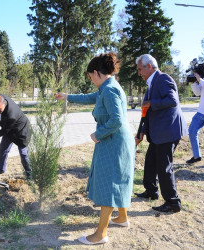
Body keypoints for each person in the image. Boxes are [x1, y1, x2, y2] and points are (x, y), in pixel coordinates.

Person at [55, 52, 135, 245]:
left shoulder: (109, 90)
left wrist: (97, 134)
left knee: (109, 184)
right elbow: (90, 97)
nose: (91, 80)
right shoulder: (106, 87)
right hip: (115, 140)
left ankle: (100, 234)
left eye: (90, 76)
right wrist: (67, 97)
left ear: (97, 73)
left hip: (114, 141)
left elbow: (116, 119)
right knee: (118, 179)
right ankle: (122, 218)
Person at [135, 54, 187, 213]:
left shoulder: (163, 79)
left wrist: (151, 102)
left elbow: (172, 100)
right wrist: (142, 131)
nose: (139, 73)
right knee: (150, 161)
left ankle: (173, 202)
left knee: (164, 167)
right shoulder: (151, 83)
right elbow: (147, 112)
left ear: (149, 66)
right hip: (159, 132)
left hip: (168, 131)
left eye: (140, 69)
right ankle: (151, 191)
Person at [0, 94, 32, 180]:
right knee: (3, 149)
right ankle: (0, 169)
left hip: (21, 132)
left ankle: (29, 174)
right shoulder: (1, 98)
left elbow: (4, 130)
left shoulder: (11, 115)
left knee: (23, 154)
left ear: (4, 103)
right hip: (9, 130)